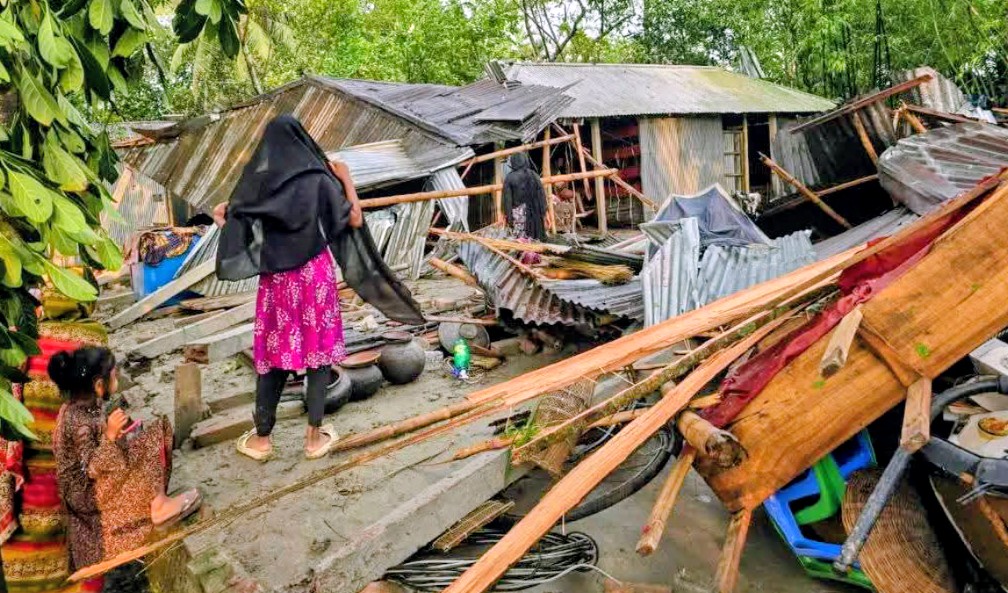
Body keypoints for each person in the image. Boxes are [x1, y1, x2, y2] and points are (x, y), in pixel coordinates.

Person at [212, 115, 366, 462]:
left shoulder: (262, 184)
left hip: (278, 280)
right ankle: (313, 439)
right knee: (318, 351)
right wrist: (347, 179)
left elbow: (224, 215)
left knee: (275, 353)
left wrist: (227, 217)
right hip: (315, 276)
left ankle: (263, 440)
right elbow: (354, 219)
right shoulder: (319, 179)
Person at [50, 346, 201, 570]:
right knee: (153, 437)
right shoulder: (79, 421)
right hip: (86, 495)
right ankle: (159, 506)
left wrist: (114, 436)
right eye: (114, 375)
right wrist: (111, 436)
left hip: (85, 487)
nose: (117, 377)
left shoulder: (80, 407)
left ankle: (151, 500)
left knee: (143, 436)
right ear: (98, 385)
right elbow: (91, 468)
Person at [501, 153, 547, 242]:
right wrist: (544, 212)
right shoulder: (534, 175)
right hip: (535, 213)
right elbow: (542, 195)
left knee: (521, 241)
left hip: (519, 216)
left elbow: (507, 201)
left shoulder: (509, 178)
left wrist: (509, 218)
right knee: (535, 240)